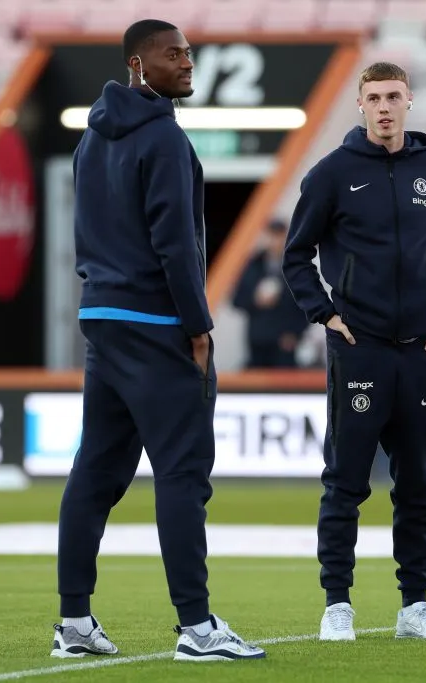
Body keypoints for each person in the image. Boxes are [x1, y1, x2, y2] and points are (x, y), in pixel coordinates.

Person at [53, 19, 263, 662]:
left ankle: (74, 623)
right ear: (139, 66)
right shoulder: (165, 138)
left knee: (97, 469)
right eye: (174, 55)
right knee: (181, 472)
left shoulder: (92, 138)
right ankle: (196, 628)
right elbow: (176, 243)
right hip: (157, 324)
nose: (188, 63)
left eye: (189, 53)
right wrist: (198, 325)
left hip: (104, 317)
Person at [282, 61, 426, 642]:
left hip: (418, 352)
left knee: (417, 484)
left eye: (393, 96)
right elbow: (296, 255)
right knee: (345, 482)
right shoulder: (333, 173)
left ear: (409, 101)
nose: (384, 107)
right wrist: (327, 314)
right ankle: (337, 604)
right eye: (373, 98)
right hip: (358, 350)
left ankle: (415, 606)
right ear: (360, 106)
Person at [232, 218, 311, 368]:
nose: (274, 241)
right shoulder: (252, 265)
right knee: (258, 387)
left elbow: (308, 304)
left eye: (279, 236)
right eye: (271, 235)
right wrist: (255, 300)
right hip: (258, 342)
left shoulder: (297, 266)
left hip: (285, 342)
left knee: (284, 387)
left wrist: (295, 333)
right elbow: (237, 301)